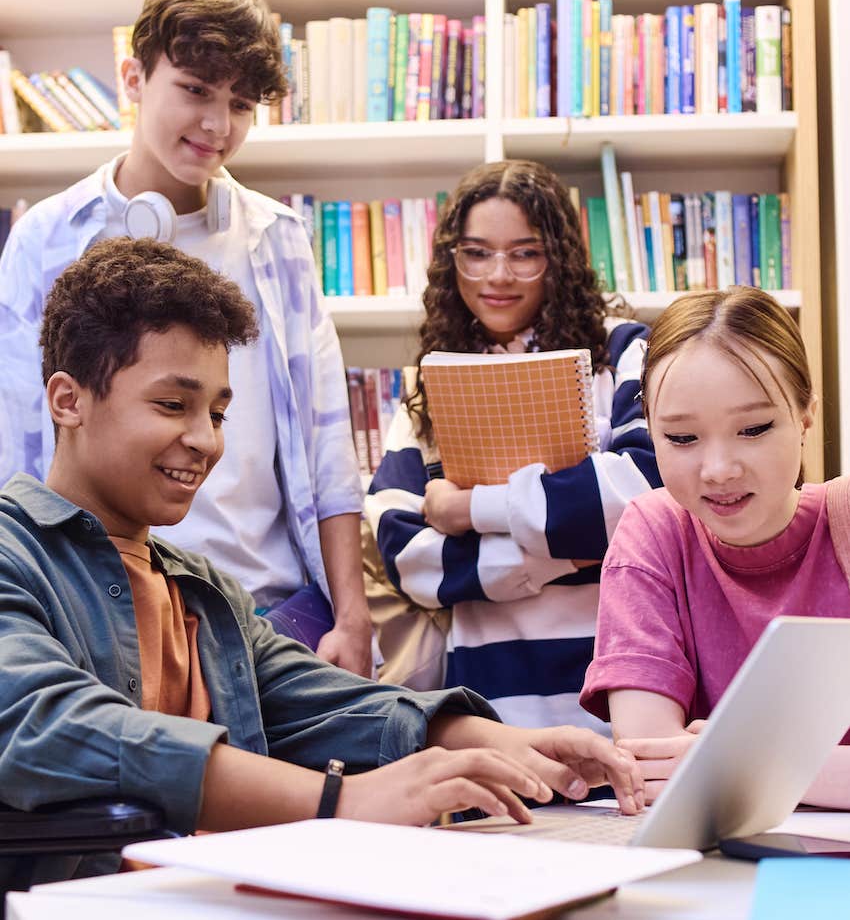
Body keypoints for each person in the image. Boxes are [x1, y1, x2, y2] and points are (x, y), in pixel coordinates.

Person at [0, 238, 643, 888]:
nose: (205, 440)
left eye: (218, 413)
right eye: (173, 404)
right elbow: (51, 723)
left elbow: (324, 701)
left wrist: (503, 742)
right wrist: (343, 803)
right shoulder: (10, 552)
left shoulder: (201, 589)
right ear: (67, 400)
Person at [0, 0, 372, 675]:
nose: (217, 125)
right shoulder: (46, 239)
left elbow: (327, 442)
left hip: (268, 612)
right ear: (133, 77)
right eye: (196, 90)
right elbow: (16, 446)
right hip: (101, 617)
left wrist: (351, 614)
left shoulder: (279, 238)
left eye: (240, 103)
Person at [365, 160, 660, 729]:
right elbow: (407, 556)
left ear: (560, 258)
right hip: (488, 698)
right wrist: (573, 554)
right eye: (476, 253)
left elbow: (647, 492)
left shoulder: (625, 352)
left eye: (525, 253)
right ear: (452, 261)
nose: (498, 275)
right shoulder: (433, 381)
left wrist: (467, 510)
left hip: (620, 675)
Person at [580, 285, 850, 809]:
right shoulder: (653, 532)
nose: (719, 470)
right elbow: (651, 768)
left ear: (806, 416)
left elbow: (694, 775)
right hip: (714, 867)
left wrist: (741, 764)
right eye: (682, 439)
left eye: (753, 428)